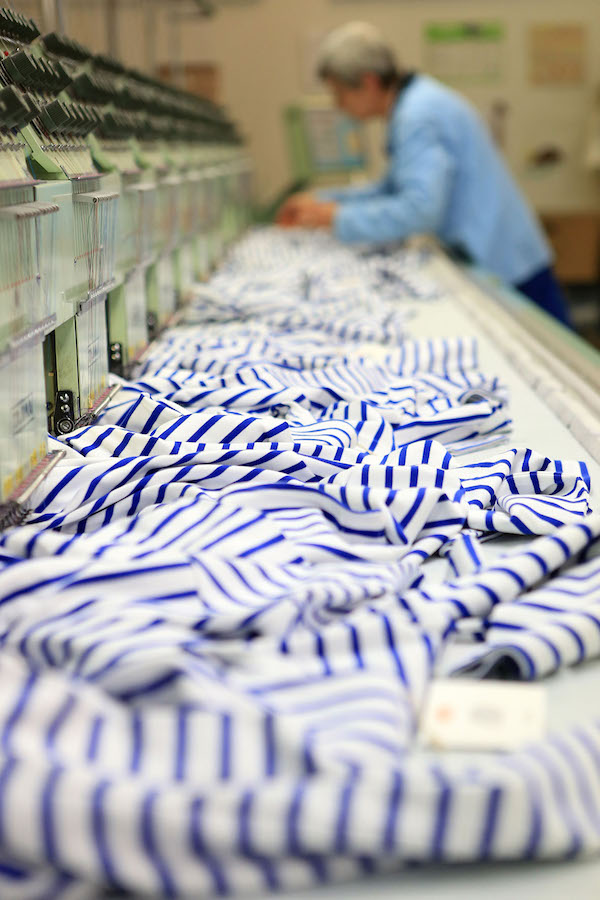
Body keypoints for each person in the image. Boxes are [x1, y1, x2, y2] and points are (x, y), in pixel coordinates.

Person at [278, 22, 571, 326]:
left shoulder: (416, 115)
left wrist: (337, 218)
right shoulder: (417, 101)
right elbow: (392, 189)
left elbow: (420, 210)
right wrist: (325, 201)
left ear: (368, 82)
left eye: (340, 94)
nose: (339, 106)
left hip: (506, 263)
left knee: (555, 346)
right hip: (504, 250)